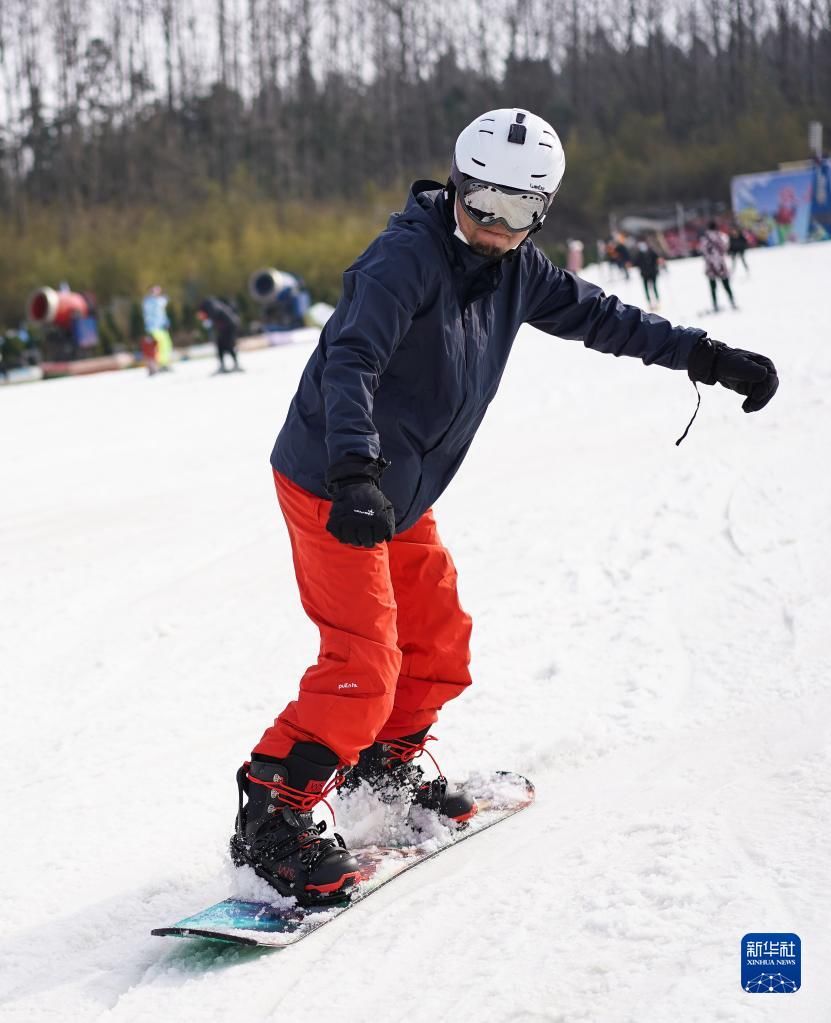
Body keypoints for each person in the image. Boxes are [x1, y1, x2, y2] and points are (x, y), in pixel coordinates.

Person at [230, 108, 779, 905]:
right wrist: (352, 471)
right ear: (455, 184)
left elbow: (605, 318)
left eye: (518, 213)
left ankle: (382, 773)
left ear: (541, 211)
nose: (494, 227)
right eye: (481, 203)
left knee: (439, 643)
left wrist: (705, 354)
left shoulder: (520, 271)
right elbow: (349, 360)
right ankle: (271, 812)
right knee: (363, 660)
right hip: (334, 479)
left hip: (400, 488)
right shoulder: (401, 261)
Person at [699, 220, 737, 312]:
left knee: (713, 287)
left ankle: (715, 305)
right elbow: (725, 248)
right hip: (720, 265)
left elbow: (702, 250)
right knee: (726, 285)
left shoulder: (704, 238)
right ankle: (732, 302)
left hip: (710, 266)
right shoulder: (721, 236)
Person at [198, 297, 242, 372]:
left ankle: (235, 365)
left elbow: (216, 313)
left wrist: (209, 320)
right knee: (220, 345)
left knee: (228, 345)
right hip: (226, 327)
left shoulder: (211, 307)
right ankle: (224, 366)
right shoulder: (212, 304)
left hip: (229, 326)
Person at [142, 285, 174, 371]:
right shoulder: (149, 302)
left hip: (162, 327)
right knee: (160, 346)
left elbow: (162, 314)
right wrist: (148, 329)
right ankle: (159, 365)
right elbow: (149, 316)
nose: (157, 292)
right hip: (154, 328)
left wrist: (166, 322)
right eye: (155, 290)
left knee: (167, 345)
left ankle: (165, 363)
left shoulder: (158, 301)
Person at [633, 239, 661, 309]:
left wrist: (659, 261)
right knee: (646, 289)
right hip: (644, 274)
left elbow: (657, 258)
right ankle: (649, 303)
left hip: (653, 273)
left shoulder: (652, 252)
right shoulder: (639, 254)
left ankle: (657, 301)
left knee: (654, 287)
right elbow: (635, 263)